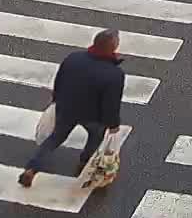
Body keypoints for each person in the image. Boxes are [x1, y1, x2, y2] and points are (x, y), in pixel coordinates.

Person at [19, 28, 124, 187]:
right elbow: (111, 103)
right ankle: (84, 162)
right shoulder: (114, 74)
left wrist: (56, 99)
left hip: (67, 108)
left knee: (55, 138)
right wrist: (113, 124)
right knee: (95, 138)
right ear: (113, 48)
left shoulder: (73, 58)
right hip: (93, 116)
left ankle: (31, 169)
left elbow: (59, 80)